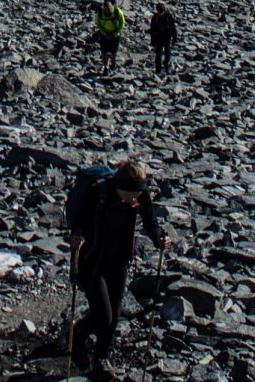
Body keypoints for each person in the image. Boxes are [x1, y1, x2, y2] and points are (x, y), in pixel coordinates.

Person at [70, 160, 171, 379]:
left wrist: (159, 238)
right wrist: (76, 235)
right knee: (103, 315)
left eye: (136, 194)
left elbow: (149, 220)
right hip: (91, 260)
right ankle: (77, 335)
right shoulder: (99, 192)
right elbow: (78, 220)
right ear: (118, 185)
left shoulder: (139, 193)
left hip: (118, 259)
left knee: (114, 314)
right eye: (129, 194)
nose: (132, 199)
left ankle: (101, 360)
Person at [93, 0, 127, 70]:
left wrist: (114, 34)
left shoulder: (118, 12)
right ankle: (106, 67)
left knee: (114, 51)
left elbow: (122, 23)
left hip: (115, 34)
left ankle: (113, 61)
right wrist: (105, 34)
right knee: (104, 51)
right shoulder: (100, 13)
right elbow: (98, 24)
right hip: (104, 34)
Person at [148, 3, 177, 75]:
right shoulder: (155, 18)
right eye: (159, 12)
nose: (161, 13)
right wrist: (152, 41)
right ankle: (158, 70)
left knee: (168, 53)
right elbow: (152, 30)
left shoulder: (168, 16)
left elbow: (173, 28)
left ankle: (166, 65)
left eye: (162, 12)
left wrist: (174, 38)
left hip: (167, 38)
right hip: (158, 38)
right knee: (158, 54)